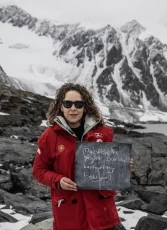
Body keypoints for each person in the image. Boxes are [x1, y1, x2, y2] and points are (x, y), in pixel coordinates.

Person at [33, 83, 132, 230]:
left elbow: (108, 168)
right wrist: (57, 180)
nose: (73, 109)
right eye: (68, 104)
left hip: (101, 210)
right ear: (61, 106)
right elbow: (38, 170)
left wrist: (122, 167)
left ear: (85, 107)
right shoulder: (49, 137)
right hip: (69, 211)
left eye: (78, 104)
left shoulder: (103, 132)